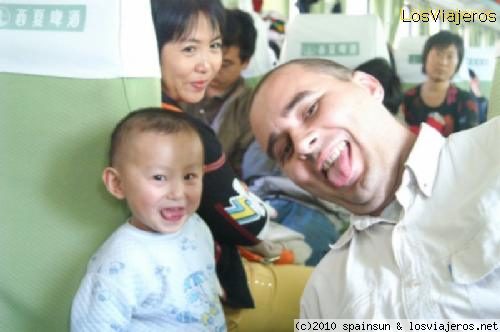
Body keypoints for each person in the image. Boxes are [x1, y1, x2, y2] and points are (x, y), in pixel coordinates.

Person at [249, 58, 500, 318]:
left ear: (369, 87)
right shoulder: (323, 294)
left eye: (311, 109)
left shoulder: (492, 154)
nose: (301, 144)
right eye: (285, 149)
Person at [150, 1, 312, 330]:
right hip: (203, 289)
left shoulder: (139, 110)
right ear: (151, 46)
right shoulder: (185, 134)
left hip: (160, 273)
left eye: (214, 46)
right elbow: (247, 222)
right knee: (333, 293)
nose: (207, 64)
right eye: (189, 49)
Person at [71, 108, 226, 331]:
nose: (178, 192)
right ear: (117, 183)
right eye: (159, 177)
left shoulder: (196, 225)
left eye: (189, 176)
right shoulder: (120, 264)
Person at [183, 8, 258, 176]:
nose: (213, 69)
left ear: (245, 62)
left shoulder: (252, 108)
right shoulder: (181, 91)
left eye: (225, 64)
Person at [402, 30, 478, 137]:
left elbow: (470, 143)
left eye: (450, 56)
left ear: (458, 63)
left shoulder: (466, 101)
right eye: (438, 54)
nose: (443, 62)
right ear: (426, 56)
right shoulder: (407, 99)